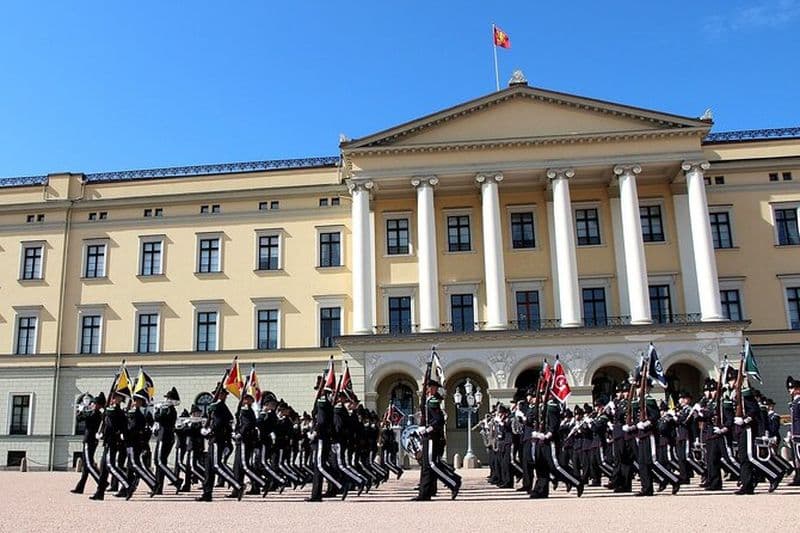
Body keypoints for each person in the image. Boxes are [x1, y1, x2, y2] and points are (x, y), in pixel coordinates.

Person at [413, 379, 461, 501]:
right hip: (427, 437)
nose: (426, 389)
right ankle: (424, 492)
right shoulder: (428, 400)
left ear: (432, 388)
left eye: (427, 387)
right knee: (426, 465)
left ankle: (453, 482)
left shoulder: (433, 401)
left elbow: (438, 420)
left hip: (431, 437)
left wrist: (427, 429)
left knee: (431, 464)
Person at [197, 388, 241, 502]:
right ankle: (207, 493)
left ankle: (238, 486)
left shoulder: (219, 407)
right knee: (209, 468)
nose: (217, 395)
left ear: (224, 396)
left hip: (217, 439)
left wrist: (210, 430)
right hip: (213, 440)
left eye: (220, 394)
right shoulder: (216, 406)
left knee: (216, 465)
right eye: (216, 394)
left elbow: (219, 423)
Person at [307, 377, 344, 502]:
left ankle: (341, 484)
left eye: (318, 389)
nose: (317, 391)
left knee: (320, 466)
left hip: (321, 437)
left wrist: (315, 432)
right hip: (324, 437)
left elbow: (321, 421)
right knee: (318, 468)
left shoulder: (322, 403)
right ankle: (316, 494)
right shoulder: (325, 403)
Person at [90, 391, 130, 501]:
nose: (112, 399)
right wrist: (102, 433)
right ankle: (100, 492)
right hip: (108, 441)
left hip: (113, 441)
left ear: (120, 400)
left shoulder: (116, 411)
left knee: (110, 466)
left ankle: (127, 484)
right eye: (112, 397)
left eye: (115, 398)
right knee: (104, 468)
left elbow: (113, 426)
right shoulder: (111, 411)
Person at [71, 392, 105, 494]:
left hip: (89, 440)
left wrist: (81, 411)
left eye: (94, 403)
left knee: (89, 464)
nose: (92, 404)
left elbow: (82, 418)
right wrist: (81, 411)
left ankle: (101, 481)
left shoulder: (95, 414)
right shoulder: (95, 413)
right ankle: (80, 487)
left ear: (98, 405)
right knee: (86, 466)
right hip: (91, 440)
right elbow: (79, 419)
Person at [152, 387, 182, 495]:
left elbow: (158, 418)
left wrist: (156, 410)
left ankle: (175, 480)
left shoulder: (168, 409)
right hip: (165, 436)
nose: (166, 400)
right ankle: (158, 487)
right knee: (161, 462)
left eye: (168, 398)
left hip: (164, 438)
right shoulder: (170, 409)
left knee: (158, 461)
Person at [788, 376, 800, 486]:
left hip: (799, 433)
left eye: (793, 388)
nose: (790, 390)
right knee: (797, 457)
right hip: (795, 433)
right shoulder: (795, 402)